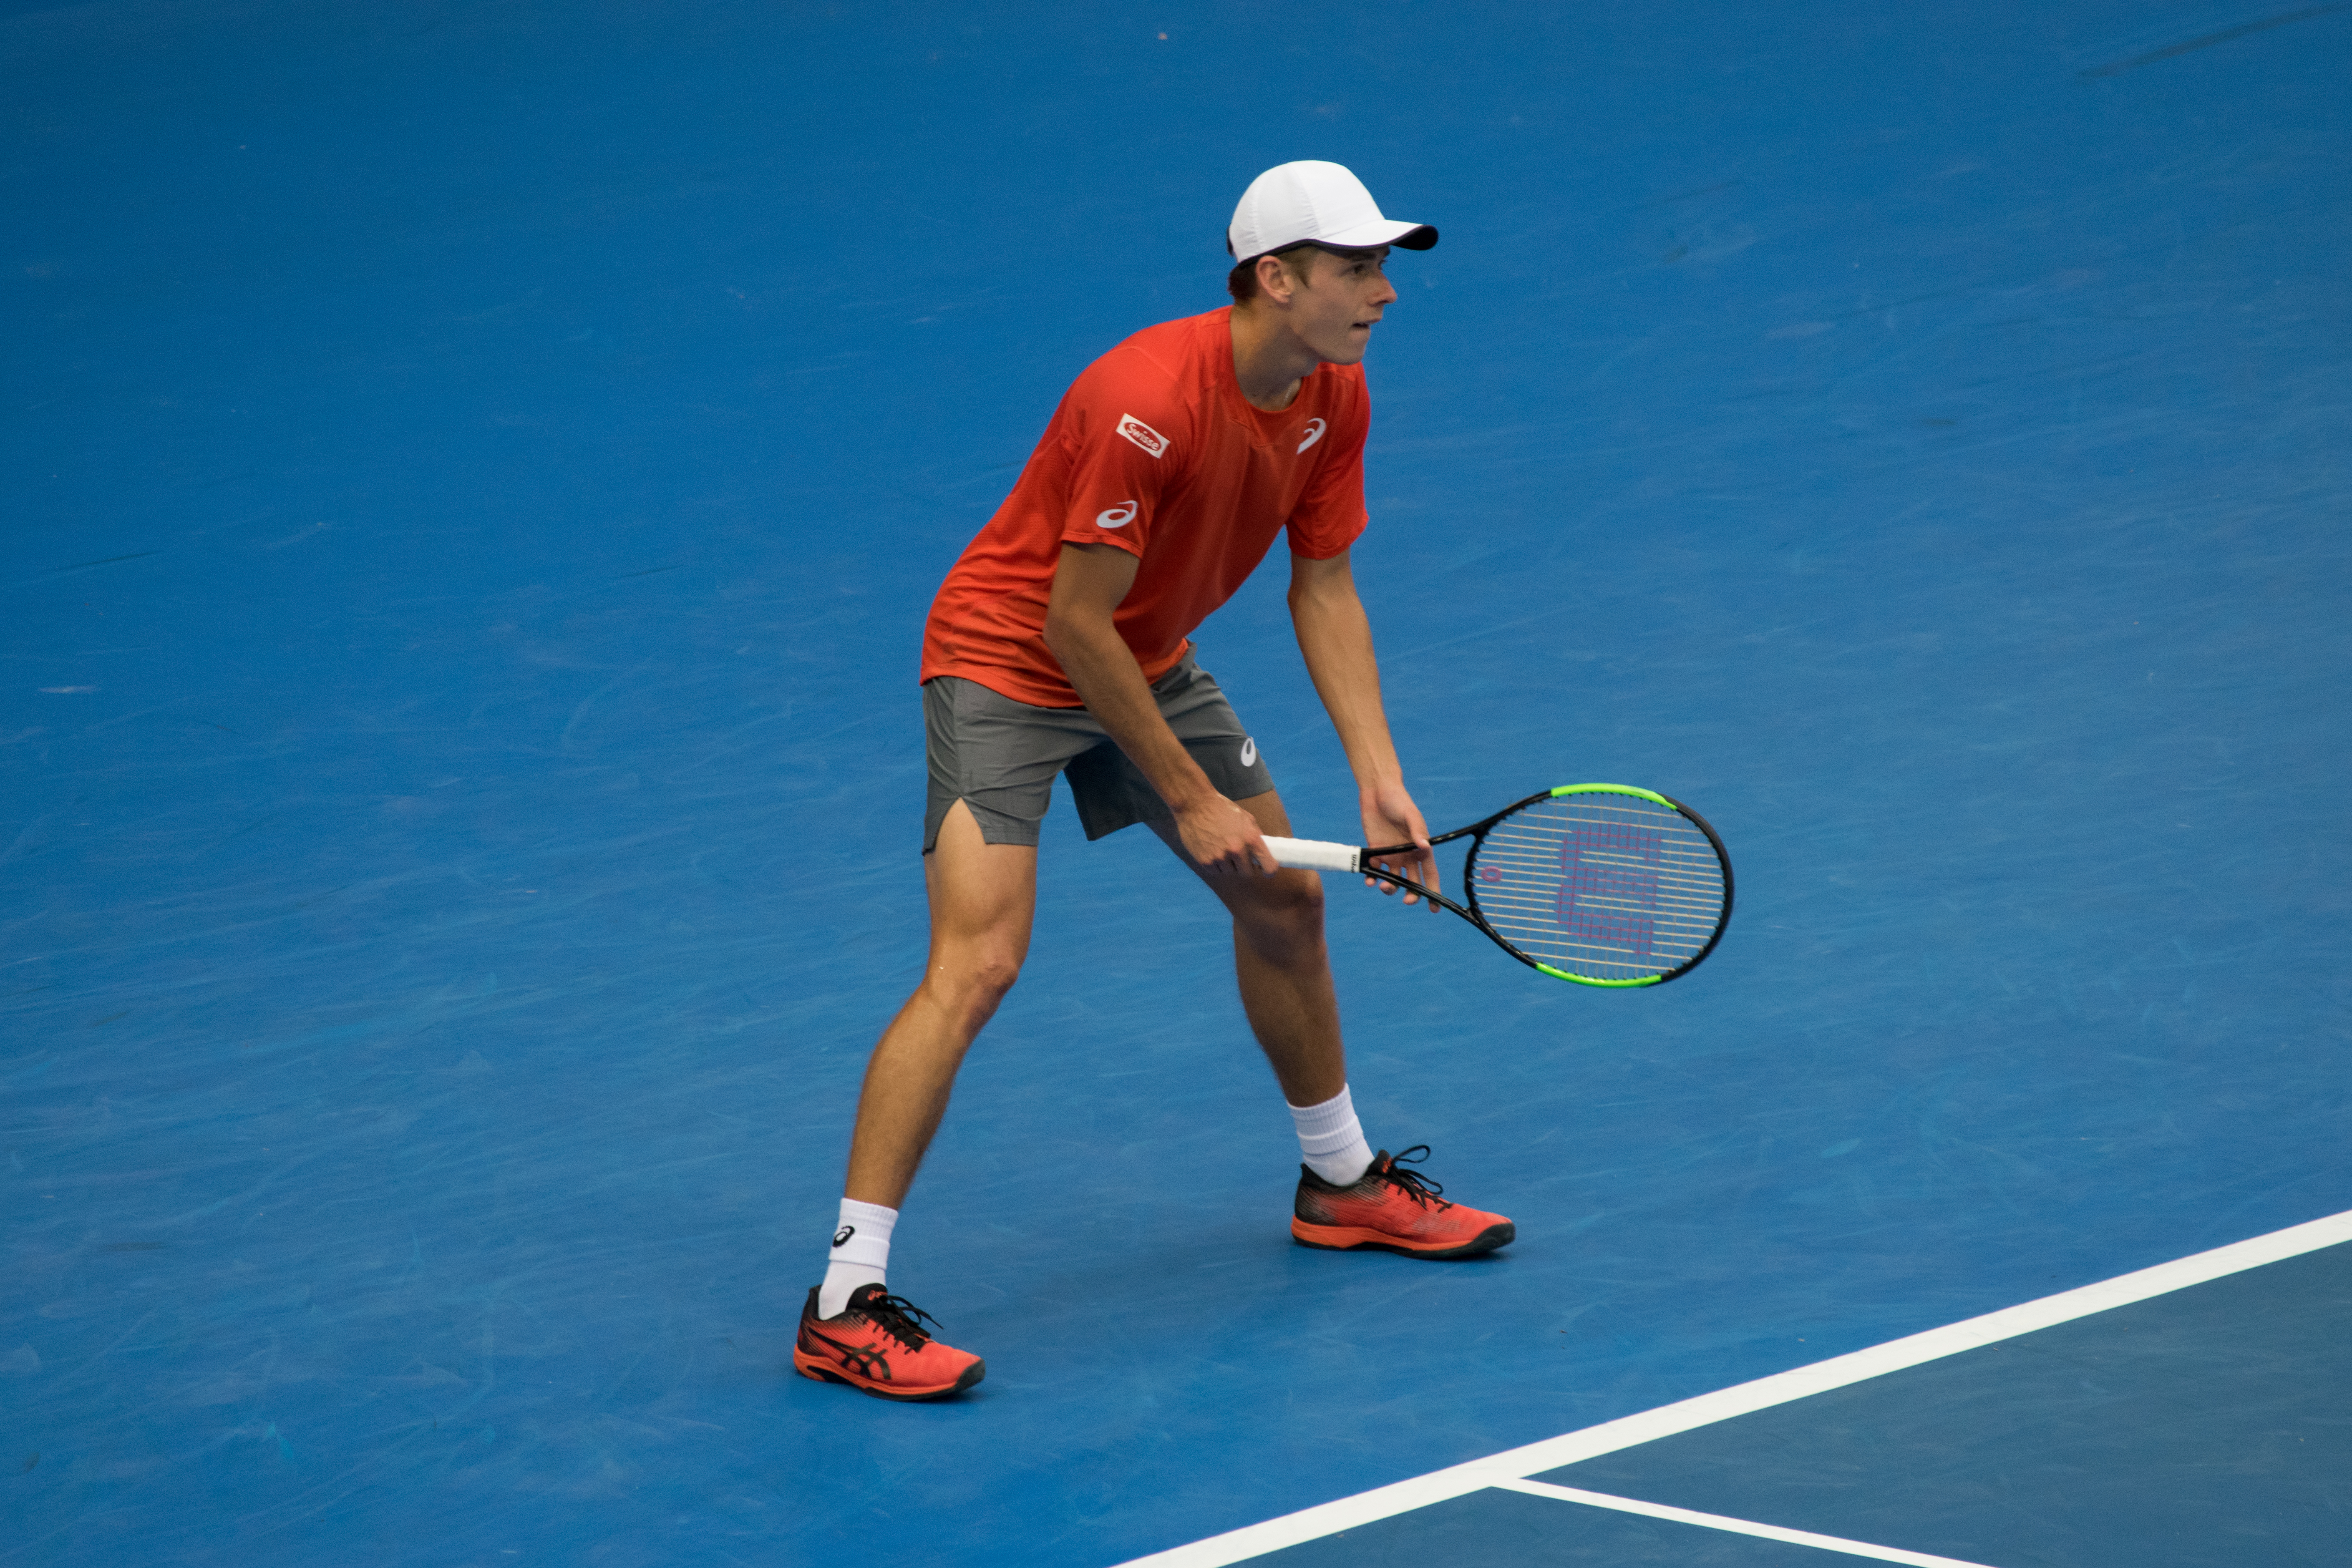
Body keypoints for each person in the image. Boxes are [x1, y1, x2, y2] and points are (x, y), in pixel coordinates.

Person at [793, 161, 1516, 1402]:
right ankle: (843, 1301)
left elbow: (1325, 583)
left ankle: (1339, 1183)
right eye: (1357, 269)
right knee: (978, 964)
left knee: (1287, 902)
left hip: (1149, 658)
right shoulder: (1146, 400)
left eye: (1385, 267)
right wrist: (1187, 794)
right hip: (1005, 669)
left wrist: (1381, 778)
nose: (1384, 293)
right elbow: (1075, 627)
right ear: (1274, 278)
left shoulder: (1332, 394)